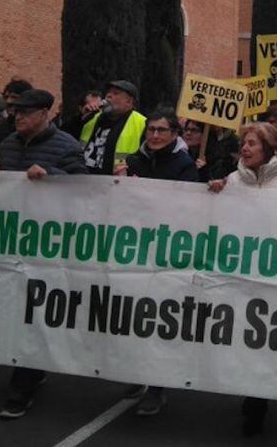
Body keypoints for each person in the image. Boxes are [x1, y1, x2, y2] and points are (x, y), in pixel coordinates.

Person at [0, 88, 86, 420]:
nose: (18, 117)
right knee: (14, 311)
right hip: (10, 242)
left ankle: (20, 389)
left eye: (25, 112)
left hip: (48, 247)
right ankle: (32, 369)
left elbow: (85, 189)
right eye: (15, 112)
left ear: (44, 113)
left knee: (33, 313)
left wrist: (54, 176)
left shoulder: (67, 146)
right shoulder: (9, 143)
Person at [207, 122, 277, 437]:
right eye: (243, 144)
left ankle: (257, 399)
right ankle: (251, 391)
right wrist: (214, 195)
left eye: (251, 143)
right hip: (241, 273)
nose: (244, 149)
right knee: (242, 335)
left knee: (265, 338)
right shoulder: (233, 181)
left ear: (270, 148)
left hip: (276, 273)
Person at [116, 108, 200, 415]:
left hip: (166, 254)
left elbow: (188, 209)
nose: (154, 135)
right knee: (133, 317)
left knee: (158, 319)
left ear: (174, 134)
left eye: (161, 130)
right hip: (136, 250)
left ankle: (156, 387)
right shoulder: (134, 162)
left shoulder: (184, 165)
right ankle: (138, 375)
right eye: (151, 129)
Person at [81, 80, 147, 175]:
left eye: (116, 93)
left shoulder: (142, 123)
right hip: (83, 179)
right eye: (108, 93)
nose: (108, 96)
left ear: (129, 101)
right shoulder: (94, 116)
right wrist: (79, 118)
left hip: (115, 183)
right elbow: (67, 135)